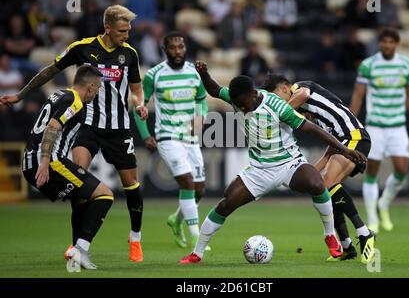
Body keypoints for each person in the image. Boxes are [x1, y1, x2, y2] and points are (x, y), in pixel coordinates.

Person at [0, 5, 149, 262]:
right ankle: (77, 245)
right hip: (87, 125)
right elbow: (50, 70)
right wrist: (21, 95)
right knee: (79, 184)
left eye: (129, 29)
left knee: (131, 184)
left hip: (118, 128)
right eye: (123, 30)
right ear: (108, 28)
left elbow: (136, 88)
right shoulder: (82, 47)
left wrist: (139, 103)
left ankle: (135, 237)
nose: (127, 34)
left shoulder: (130, 54)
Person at [179, 61, 367, 264]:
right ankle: (197, 253)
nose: (241, 108)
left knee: (317, 184)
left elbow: (311, 129)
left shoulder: (276, 106)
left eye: (244, 103)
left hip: (289, 163)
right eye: (237, 104)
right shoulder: (237, 97)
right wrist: (204, 74)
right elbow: (215, 90)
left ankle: (330, 236)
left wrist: (344, 149)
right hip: (259, 169)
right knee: (226, 204)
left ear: (254, 94)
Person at [261, 74, 375, 263]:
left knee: (328, 185)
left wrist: (277, 116)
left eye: (276, 98)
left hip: (354, 136)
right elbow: (331, 143)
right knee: (325, 189)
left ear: (284, 88)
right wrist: (314, 168)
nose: (276, 103)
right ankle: (347, 246)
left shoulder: (300, 87)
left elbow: (304, 94)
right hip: (342, 142)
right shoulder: (310, 111)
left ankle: (364, 233)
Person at [18, 65, 110, 270]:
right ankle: (80, 250)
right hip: (48, 161)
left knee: (81, 197)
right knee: (104, 195)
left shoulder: (59, 94)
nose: (97, 93)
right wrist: (44, 163)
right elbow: (52, 127)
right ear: (91, 87)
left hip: (30, 161)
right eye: (98, 89)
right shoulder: (75, 102)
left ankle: (76, 249)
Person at [134, 31, 209, 250]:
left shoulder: (195, 73)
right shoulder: (154, 75)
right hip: (167, 136)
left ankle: (176, 221)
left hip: (190, 138)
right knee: (187, 181)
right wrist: (145, 134)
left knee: (200, 189)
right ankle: (197, 238)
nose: (178, 51)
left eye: (181, 47)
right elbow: (140, 106)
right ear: (164, 50)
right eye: (173, 47)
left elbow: (202, 101)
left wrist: (199, 121)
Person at [350, 28, 409, 234]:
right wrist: (351, 123)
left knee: (402, 169)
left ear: (396, 43)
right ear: (379, 43)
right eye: (384, 41)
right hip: (375, 126)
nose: (387, 44)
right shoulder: (368, 65)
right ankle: (372, 216)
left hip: (398, 126)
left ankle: (384, 203)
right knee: (372, 171)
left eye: (391, 41)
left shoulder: (406, 65)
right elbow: (358, 96)